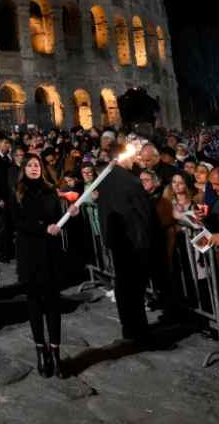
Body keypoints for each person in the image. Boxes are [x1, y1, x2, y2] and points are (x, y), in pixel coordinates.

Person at [70, 144, 157, 343]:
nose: (134, 159)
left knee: (124, 285)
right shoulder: (130, 181)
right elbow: (144, 214)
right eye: (132, 156)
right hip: (133, 242)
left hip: (117, 241)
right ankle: (139, 330)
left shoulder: (105, 179)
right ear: (123, 158)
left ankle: (129, 327)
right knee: (134, 288)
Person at [12, 154, 67, 377]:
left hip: (50, 253)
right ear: (23, 168)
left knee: (53, 304)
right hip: (29, 253)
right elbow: (18, 221)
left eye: (37, 165)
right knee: (34, 303)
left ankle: (55, 353)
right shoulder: (18, 191)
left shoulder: (50, 190)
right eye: (30, 165)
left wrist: (69, 215)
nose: (34, 168)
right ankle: (40, 351)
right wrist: (43, 228)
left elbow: (58, 218)